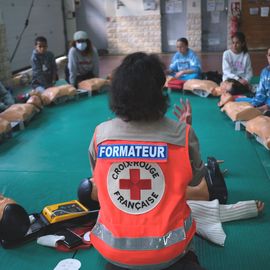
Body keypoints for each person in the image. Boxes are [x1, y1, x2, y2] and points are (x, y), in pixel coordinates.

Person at [86, 52, 208, 270]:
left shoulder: (100, 135)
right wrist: (184, 129)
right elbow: (196, 181)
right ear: (158, 93)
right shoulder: (182, 134)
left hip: (113, 252)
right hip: (171, 251)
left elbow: (99, 178)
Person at [17, 36, 58, 102]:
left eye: (44, 46)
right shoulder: (34, 58)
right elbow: (38, 74)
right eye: (40, 46)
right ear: (36, 47)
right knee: (46, 96)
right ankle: (28, 95)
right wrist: (47, 87)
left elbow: (54, 67)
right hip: (39, 83)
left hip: (50, 82)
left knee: (56, 94)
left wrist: (53, 80)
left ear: (47, 46)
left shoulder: (50, 55)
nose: (42, 48)